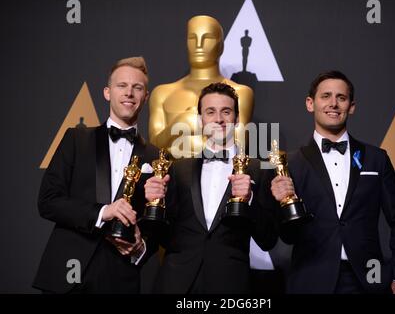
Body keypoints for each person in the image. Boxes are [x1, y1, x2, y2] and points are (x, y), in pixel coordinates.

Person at [270, 71, 395, 294]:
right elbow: (287, 237)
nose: (333, 104)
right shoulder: (291, 163)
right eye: (325, 96)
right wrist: (283, 204)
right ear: (310, 103)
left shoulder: (376, 158)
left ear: (352, 106)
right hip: (310, 279)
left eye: (341, 97)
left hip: (369, 279)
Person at [33, 56, 160, 293]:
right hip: (67, 273)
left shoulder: (157, 157)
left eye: (137, 87)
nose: (129, 93)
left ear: (146, 97)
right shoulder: (76, 139)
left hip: (120, 277)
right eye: (122, 85)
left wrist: (140, 247)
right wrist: (103, 212)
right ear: (107, 92)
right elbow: (48, 201)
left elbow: (159, 224)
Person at [145, 82, 277, 293]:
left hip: (230, 284)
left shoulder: (258, 170)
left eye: (226, 111)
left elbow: (268, 239)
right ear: (200, 120)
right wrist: (153, 203)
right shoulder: (178, 169)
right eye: (210, 112)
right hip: (176, 282)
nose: (218, 119)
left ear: (237, 118)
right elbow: (164, 235)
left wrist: (249, 200)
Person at [148, 15, 254, 158]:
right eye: (192, 38)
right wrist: (180, 123)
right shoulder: (162, 93)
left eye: (208, 38)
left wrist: (195, 129)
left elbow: (238, 143)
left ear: (221, 46)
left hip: (220, 175)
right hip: (170, 177)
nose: (199, 44)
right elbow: (153, 147)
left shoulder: (240, 93)